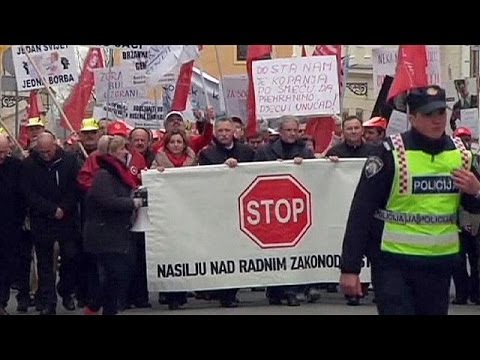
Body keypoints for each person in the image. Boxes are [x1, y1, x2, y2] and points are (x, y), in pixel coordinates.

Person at [339, 85, 480, 315]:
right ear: (413, 118)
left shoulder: (462, 155)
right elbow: (361, 210)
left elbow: (472, 207)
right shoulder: (389, 153)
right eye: (428, 115)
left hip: (439, 266)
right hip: (393, 264)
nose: (437, 121)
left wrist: (476, 191)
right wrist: (350, 268)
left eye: (440, 114)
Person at [82, 136, 143, 315]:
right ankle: (95, 306)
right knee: (115, 274)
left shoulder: (116, 173)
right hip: (103, 234)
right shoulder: (104, 175)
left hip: (114, 233)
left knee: (117, 275)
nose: (126, 152)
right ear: (113, 152)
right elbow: (107, 201)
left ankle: (105, 308)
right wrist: (132, 203)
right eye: (122, 149)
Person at [451, 127, 480, 304]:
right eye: (460, 139)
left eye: (467, 138)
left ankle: (476, 293)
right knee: (458, 259)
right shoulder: (451, 160)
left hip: (476, 211)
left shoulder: (475, 160)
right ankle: (462, 293)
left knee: (476, 257)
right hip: (457, 214)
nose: (464, 142)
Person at [0, 135, 26, 315]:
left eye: (4, 152)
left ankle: (1, 302)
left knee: (6, 266)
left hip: (10, 225)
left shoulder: (15, 166)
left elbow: (23, 193)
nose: (2, 156)